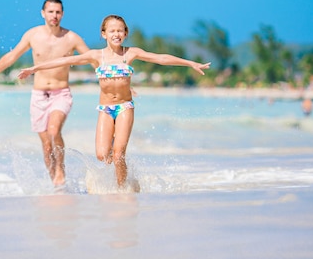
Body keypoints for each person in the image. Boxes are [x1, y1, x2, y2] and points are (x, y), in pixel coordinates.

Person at [18, 14, 211, 190]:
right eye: (112, 30)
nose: (116, 34)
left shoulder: (130, 53)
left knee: (119, 154)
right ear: (104, 34)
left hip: (125, 107)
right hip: (105, 109)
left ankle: (122, 190)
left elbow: (160, 58)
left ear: (125, 33)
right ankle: (123, 177)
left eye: (120, 30)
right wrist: (34, 69)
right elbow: (62, 61)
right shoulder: (96, 56)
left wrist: (190, 63)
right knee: (103, 155)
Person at [0, 0, 89, 188]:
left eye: (58, 12)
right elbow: (12, 56)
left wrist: (119, 80)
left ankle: (61, 170)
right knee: (46, 147)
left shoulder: (71, 38)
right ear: (43, 13)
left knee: (54, 131)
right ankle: (57, 185)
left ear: (62, 14)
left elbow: (93, 59)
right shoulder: (33, 35)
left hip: (61, 94)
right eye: (51, 11)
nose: (54, 15)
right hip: (38, 96)